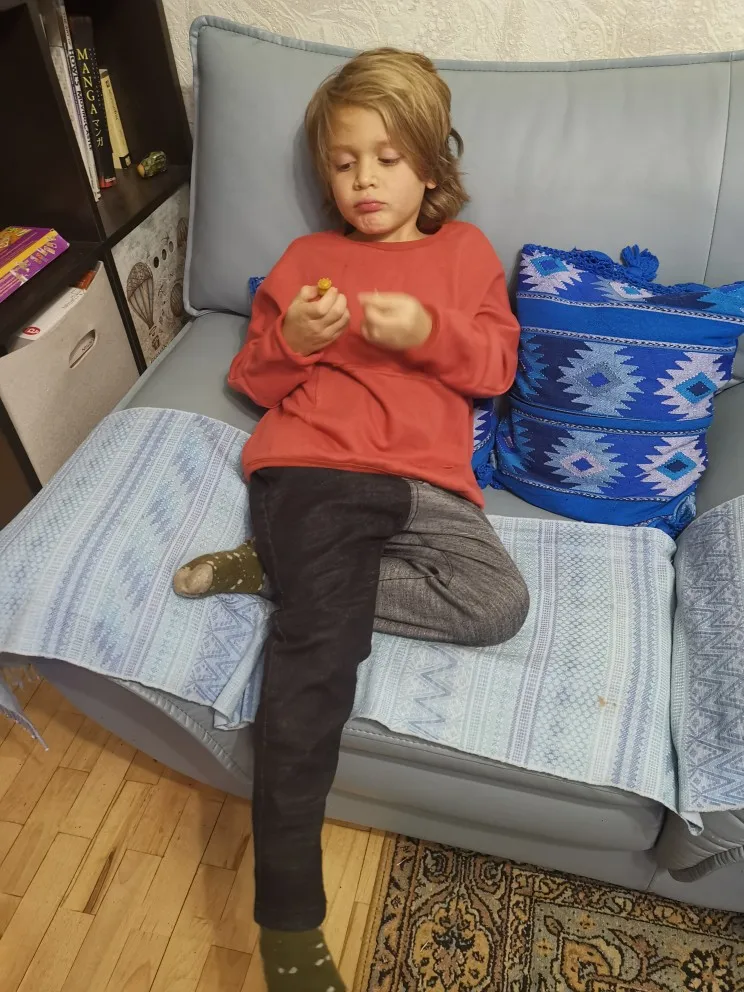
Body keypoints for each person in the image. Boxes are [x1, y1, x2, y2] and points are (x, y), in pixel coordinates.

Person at [173, 47, 529, 992]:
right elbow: (252, 381)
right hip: (317, 472)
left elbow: (498, 367)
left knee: (499, 603)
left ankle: (273, 572)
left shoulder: (466, 253)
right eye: (343, 162)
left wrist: (431, 333)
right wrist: (292, 341)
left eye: (387, 158)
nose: (364, 180)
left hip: (429, 489)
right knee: (317, 660)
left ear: (431, 167)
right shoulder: (308, 261)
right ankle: (290, 925)